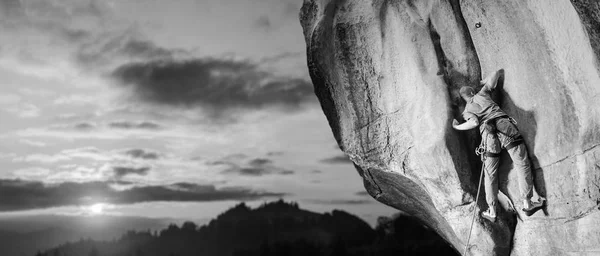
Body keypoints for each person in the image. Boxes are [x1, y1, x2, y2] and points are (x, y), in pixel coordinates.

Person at [452, 69, 545, 222]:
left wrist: (457, 127)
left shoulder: (467, 110)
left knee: (490, 175)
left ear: (463, 98)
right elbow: (496, 73)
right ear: (473, 92)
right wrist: (485, 81)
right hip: (504, 126)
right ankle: (527, 203)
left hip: (488, 137)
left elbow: (474, 122)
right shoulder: (481, 94)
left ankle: (492, 210)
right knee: (521, 163)